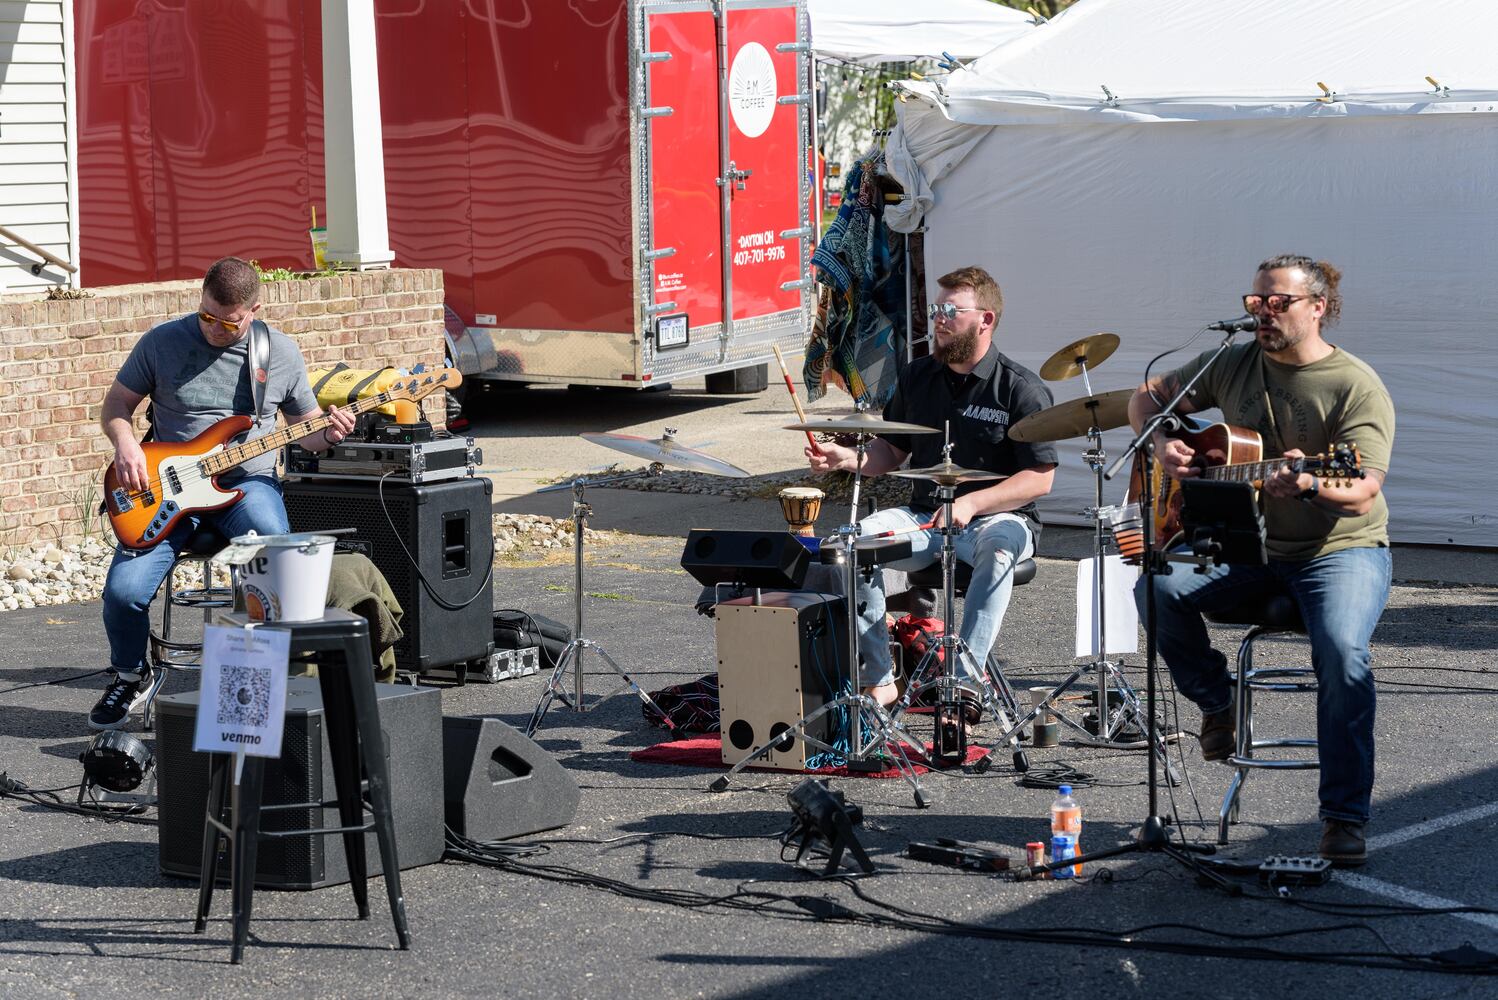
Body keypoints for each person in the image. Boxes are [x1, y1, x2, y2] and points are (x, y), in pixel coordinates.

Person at [1128, 254, 1394, 867]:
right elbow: (1146, 397)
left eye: (1279, 304)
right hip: (1251, 546)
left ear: (1318, 307)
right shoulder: (1233, 360)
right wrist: (1166, 443)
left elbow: (1361, 491)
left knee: (1344, 654)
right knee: (1156, 586)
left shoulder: (1355, 385)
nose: (1263, 315)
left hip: (1338, 552)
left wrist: (1307, 484)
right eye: (1256, 303)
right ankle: (1217, 703)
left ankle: (1344, 818)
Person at [90, 257, 357, 730]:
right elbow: (116, 405)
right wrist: (126, 443)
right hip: (167, 493)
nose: (212, 328)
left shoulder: (279, 354)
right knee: (122, 593)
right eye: (206, 315)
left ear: (253, 310)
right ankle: (131, 674)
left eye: (227, 322)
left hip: (247, 484)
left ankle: (254, 690)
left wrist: (330, 434)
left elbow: (307, 432)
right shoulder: (162, 342)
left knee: (277, 554)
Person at [806, 266, 1057, 709]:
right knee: (851, 543)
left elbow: (1040, 477)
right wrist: (846, 459)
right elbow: (891, 452)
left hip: (999, 519)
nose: (938, 319)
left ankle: (965, 681)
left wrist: (973, 501)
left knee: (999, 547)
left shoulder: (1020, 389)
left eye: (951, 310)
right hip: (925, 517)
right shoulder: (917, 376)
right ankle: (880, 677)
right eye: (936, 309)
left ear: (986, 319)